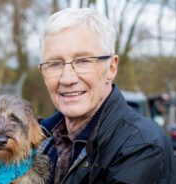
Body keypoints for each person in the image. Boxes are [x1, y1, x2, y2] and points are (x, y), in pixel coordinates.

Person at [37, 8, 176, 184]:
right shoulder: (39, 141)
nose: (67, 78)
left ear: (111, 68)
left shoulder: (142, 148)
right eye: (55, 64)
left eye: (83, 61)